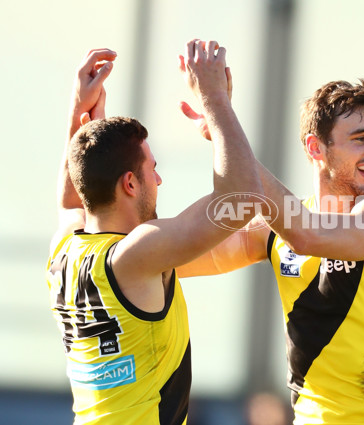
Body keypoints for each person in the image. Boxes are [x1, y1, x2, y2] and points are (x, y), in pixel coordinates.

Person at [178, 78, 364, 424]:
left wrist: (223, 122)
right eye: (362, 138)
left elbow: (307, 233)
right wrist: (90, 158)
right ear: (316, 148)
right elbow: (170, 258)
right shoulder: (279, 228)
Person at [46, 39, 262, 425]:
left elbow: (69, 201)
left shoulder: (64, 246)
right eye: (153, 169)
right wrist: (215, 101)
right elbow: (242, 198)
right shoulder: (135, 255)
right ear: (130, 184)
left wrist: (80, 111)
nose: (159, 179)